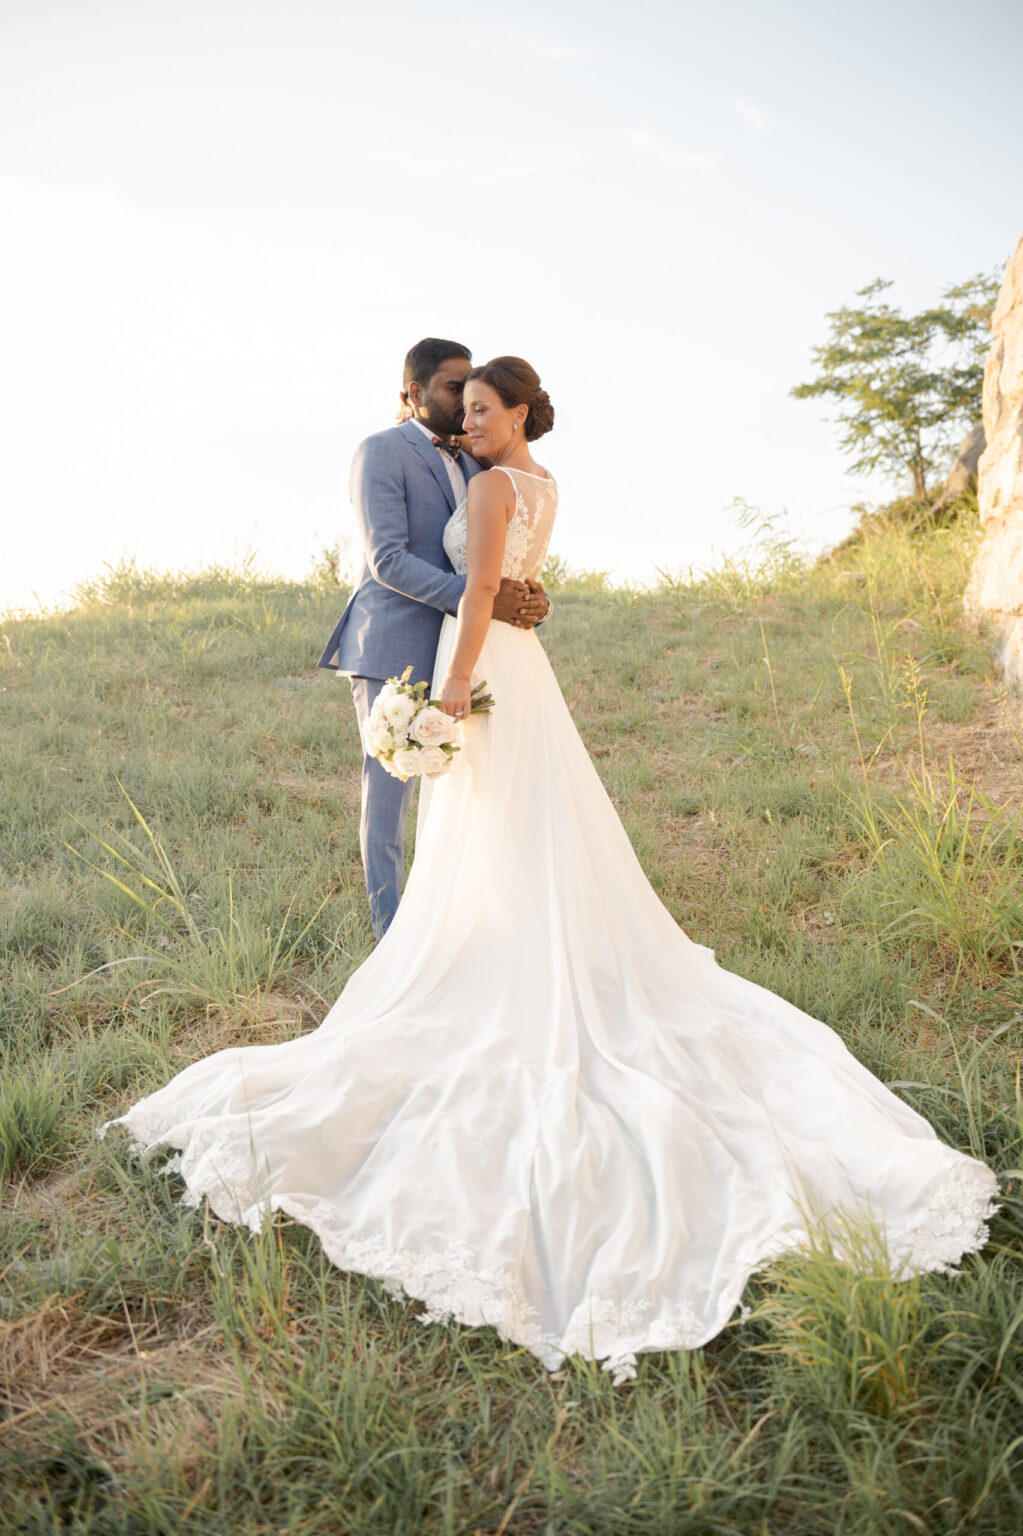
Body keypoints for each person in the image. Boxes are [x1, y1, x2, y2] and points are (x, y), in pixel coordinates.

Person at [105, 356, 998, 1384]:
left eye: (483, 408)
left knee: (485, 828)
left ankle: (493, 962)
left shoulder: (488, 483)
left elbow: (483, 587)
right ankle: (516, 944)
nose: (469, 421)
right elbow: (486, 576)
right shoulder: (541, 484)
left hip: (477, 660)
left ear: (517, 411)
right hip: (521, 673)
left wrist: (448, 695)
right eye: (462, 407)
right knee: (520, 829)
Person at [317, 338, 550, 939]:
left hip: (463, 647)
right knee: (390, 792)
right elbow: (387, 559)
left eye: (472, 390)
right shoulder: (380, 451)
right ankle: (390, 932)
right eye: (453, 388)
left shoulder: (480, 460)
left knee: (470, 790)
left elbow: (499, 548)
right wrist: (482, 597)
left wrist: (527, 599)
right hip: (391, 639)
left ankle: (463, 921)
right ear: (413, 394)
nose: (464, 401)